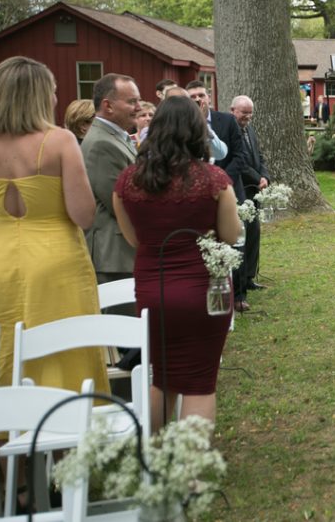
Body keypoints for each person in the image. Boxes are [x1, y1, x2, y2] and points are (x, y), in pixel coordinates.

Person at [0, 56, 108, 393]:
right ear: (38, 96)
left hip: (0, 260)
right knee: (67, 345)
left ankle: (12, 417)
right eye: (52, 91)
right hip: (57, 258)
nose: (56, 98)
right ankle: (70, 415)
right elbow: (84, 215)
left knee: (8, 344)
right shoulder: (59, 141)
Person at [113, 95, 240, 427]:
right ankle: (190, 460)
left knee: (163, 376)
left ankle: (153, 451)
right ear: (197, 132)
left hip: (152, 290)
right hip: (203, 291)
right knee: (199, 382)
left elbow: (135, 239)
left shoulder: (128, 181)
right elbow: (230, 235)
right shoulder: (213, 180)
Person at [83, 73, 142, 284]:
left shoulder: (115, 137)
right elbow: (122, 204)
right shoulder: (102, 144)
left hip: (122, 255)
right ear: (108, 106)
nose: (139, 108)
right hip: (114, 259)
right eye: (132, 102)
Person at [231, 95, 269, 298]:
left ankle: (249, 277)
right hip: (240, 190)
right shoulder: (230, 132)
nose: (247, 116)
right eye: (244, 112)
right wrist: (257, 178)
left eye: (250, 113)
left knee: (254, 233)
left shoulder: (250, 130)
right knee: (242, 236)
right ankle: (239, 281)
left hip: (255, 191)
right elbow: (240, 163)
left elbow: (259, 156)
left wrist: (265, 176)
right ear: (233, 111)